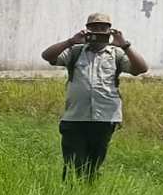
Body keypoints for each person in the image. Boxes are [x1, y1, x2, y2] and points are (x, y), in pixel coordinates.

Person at [41, 12, 148, 179]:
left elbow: (141, 69)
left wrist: (125, 45)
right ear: (87, 30)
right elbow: (47, 56)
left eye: (103, 28)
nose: (98, 31)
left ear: (110, 31)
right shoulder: (75, 51)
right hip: (75, 117)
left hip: (105, 117)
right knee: (73, 163)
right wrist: (71, 41)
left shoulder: (117, 54)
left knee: (94, 164)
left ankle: (88, 194)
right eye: (94, 28)